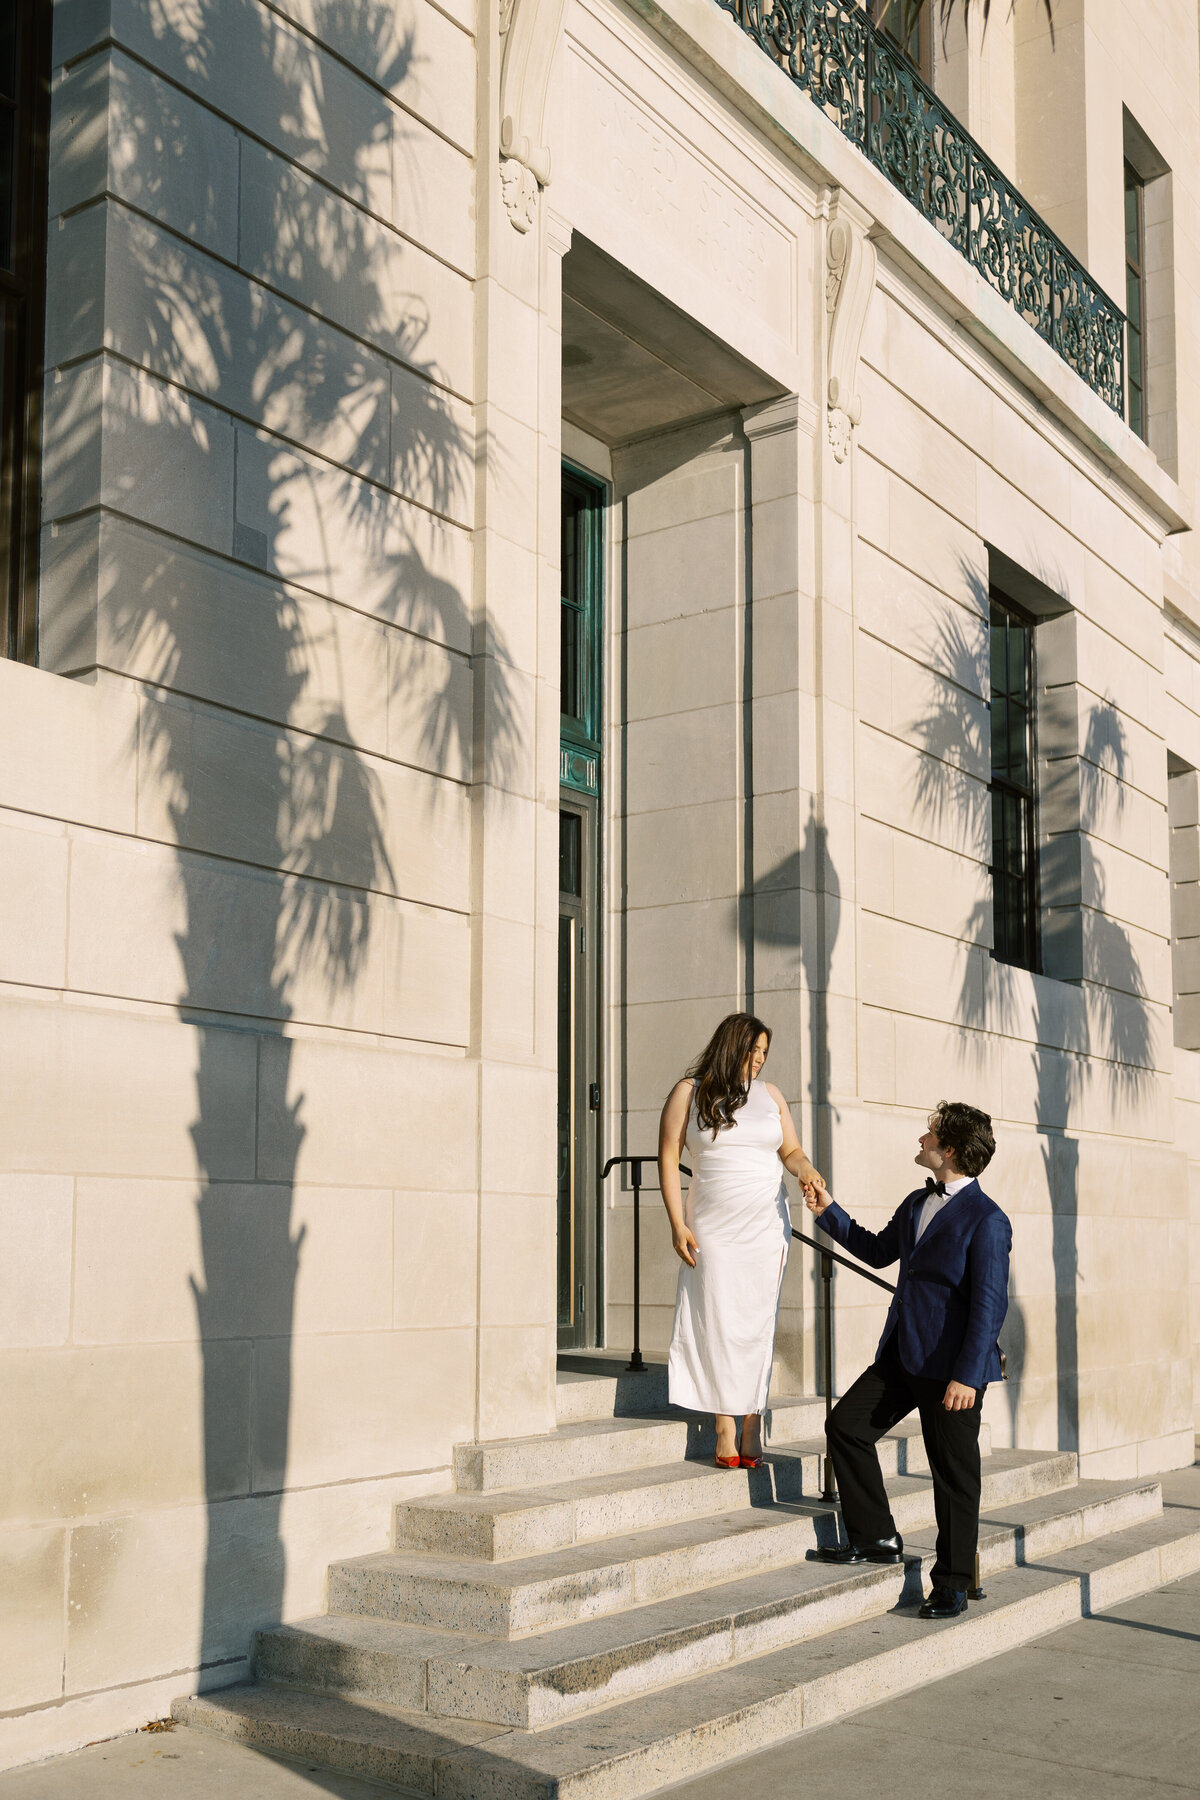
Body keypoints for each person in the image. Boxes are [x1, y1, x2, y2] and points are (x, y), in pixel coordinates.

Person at [805, 1100, 1010, 1620]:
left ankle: (955, 1582)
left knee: (953, 1477)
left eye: (931, 1134)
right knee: (846, 1426)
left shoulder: (988, 1220)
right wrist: (829, 1209)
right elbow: (876, 1251)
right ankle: (876, 1536)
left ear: (952, 1151)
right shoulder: (918, 1203)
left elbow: (989, 1304)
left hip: (953, 1373)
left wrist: (968, 1375)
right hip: (904, 1353)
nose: (921, 1140)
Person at [659, 1013, 825, 1469]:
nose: (758, 1061)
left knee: (757, 1322)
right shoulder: (689, 1092)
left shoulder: (771, 1096)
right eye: (752, 1052)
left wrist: (806, 1169)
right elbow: (669, 1156)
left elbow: (790, 1150)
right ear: (730, 1046)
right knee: (719, 1319)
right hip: (712, 1225)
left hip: (766, 1225)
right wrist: (677, 1223)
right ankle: (724, 1423)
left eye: (764, 1054)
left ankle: (752, 1416)